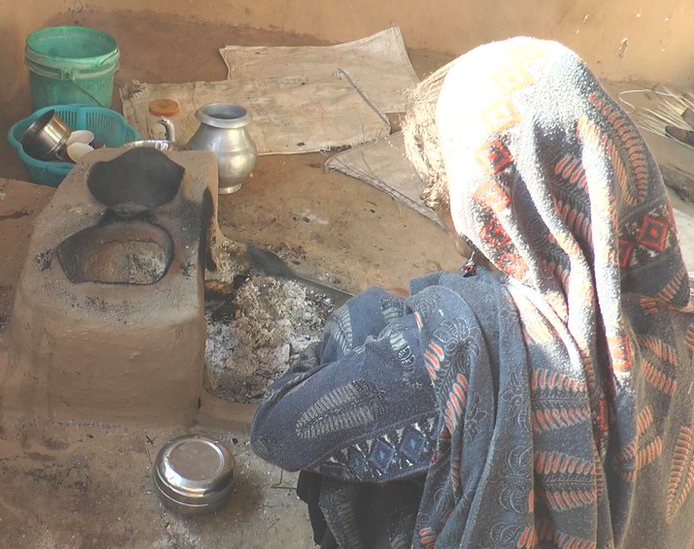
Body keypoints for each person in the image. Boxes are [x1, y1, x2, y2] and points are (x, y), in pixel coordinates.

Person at [250, 36, 694, 548]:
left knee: (363, 326)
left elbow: (275, 432)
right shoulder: (669, 308)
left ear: (478, 191)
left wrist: (368, 318)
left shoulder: (454, 344)